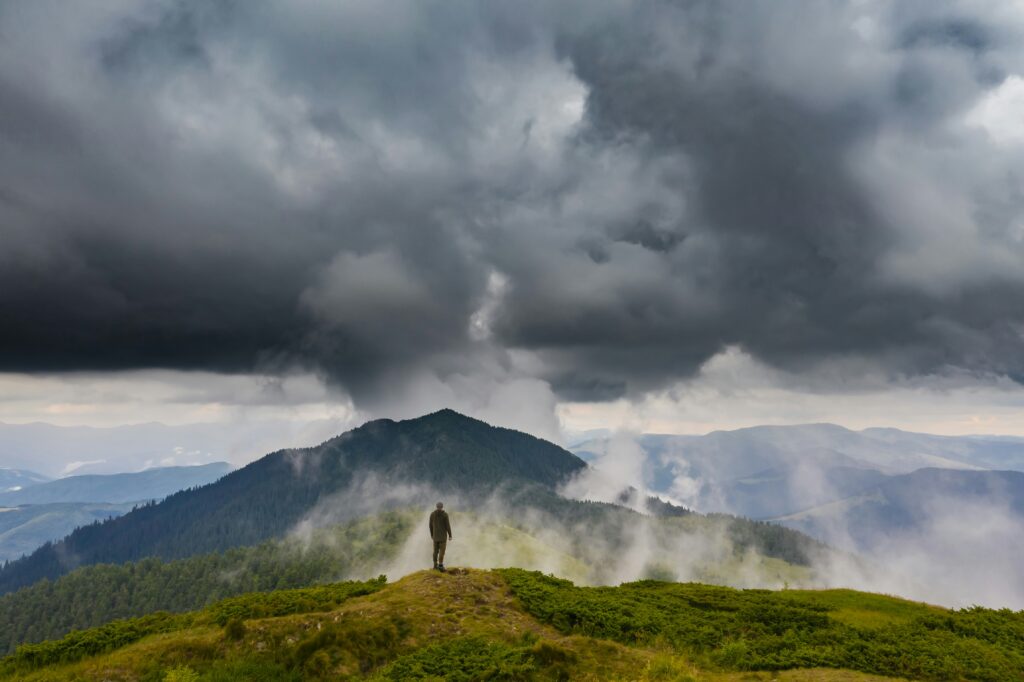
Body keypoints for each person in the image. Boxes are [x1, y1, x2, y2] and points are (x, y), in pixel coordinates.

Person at [429, 501, 453, 571]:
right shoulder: (445, 515)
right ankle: (440, 566)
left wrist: (432, 535)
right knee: (442, 552)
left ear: (436, 507)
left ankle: (435, 566)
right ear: (442, 507)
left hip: (435, 537)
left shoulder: (432, 514)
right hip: (443, 537)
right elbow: (447, 526)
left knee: (435, 552)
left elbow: (430, 526)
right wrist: (450, 535)